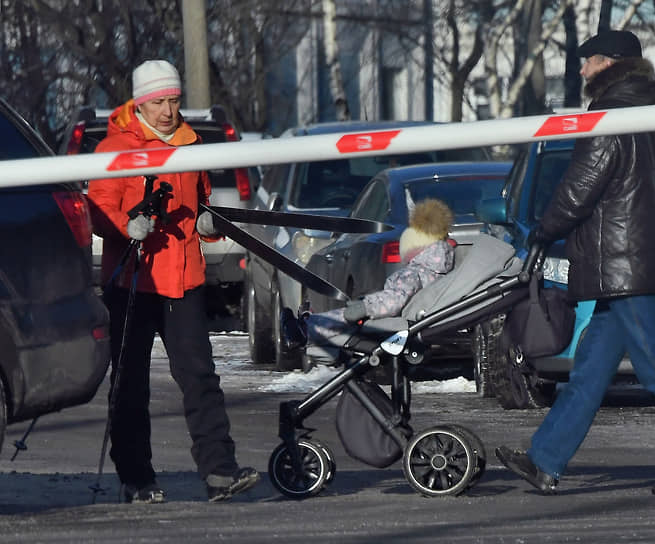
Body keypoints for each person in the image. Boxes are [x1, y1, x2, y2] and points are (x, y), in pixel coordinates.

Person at [495, 30, 655, 496]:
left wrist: (543, 230)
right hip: (623, 262)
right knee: (589, 371)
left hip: (620, 265)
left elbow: (583, 184)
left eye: (589, 61)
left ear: (611, 63)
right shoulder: (648, 111)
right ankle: (545, 460)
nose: (581, 70)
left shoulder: (611, 115)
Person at [87, 59, 260, 503]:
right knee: (130, 383)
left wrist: (209, 223)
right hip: (132, 280)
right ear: (141, 103)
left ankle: (220, 471)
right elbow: (99, 209)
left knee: (201, 376)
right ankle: (137, 478)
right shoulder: (115, 147)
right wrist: (126, 226)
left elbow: (203, 200)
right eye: (159, 102)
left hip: (184, 279)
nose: (167, 110)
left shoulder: (192, 144)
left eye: (174, 100)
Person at [283, 198, 455, 364]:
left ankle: (306, 329)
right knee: (346, 323)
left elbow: (394, 299)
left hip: (395, 320)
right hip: (411, 318)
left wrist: (366, 306)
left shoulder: (413, 274)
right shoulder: (438, 270)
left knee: (343, 319)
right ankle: (309, 331)